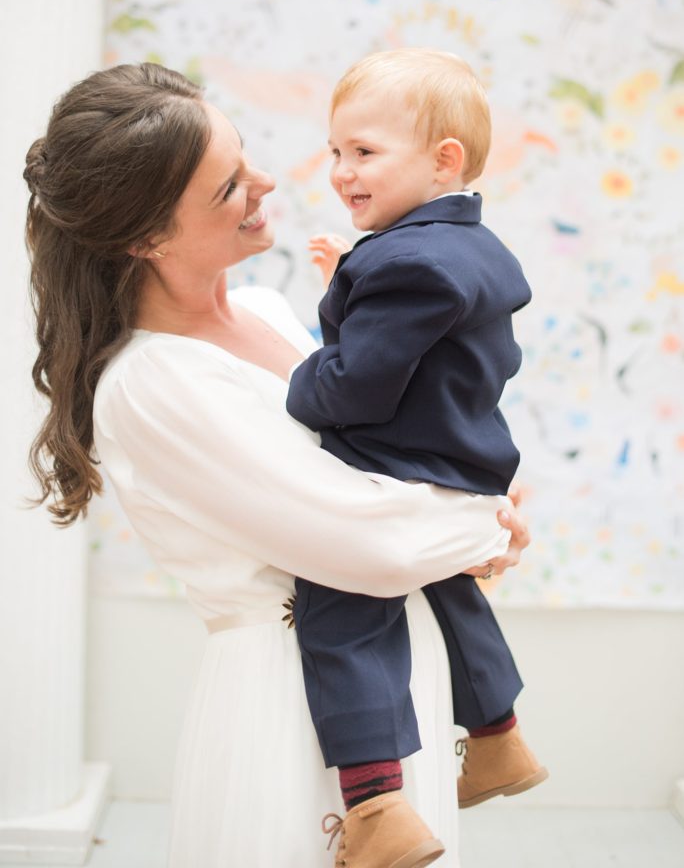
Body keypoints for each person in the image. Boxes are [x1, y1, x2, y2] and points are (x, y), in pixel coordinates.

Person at [24, 62, 530, 868]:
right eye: (228, 185)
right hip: (295, 705)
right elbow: (374, 542)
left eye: (247, 154)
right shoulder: (153, 383)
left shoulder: (265, 310)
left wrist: (477, 518)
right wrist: (482, 519)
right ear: (148, 237)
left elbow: (385, 473)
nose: (269, 181)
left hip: (400, 680)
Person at [286, 49, 548, 860]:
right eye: (334, 152)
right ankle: (500, 737)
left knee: (343, 616)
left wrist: (301, 380)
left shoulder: (404, 262)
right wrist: (349, 284)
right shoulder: (469, 248)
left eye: (363, 152)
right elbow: (428, 344)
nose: (339, 171)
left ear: (444, 161)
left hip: (400, 472)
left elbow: (357, 386)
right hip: (463, 471)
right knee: (452, 596)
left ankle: (374, 810)